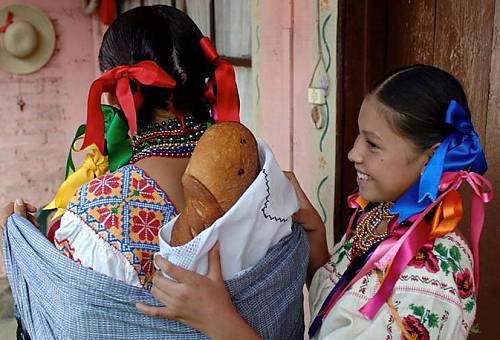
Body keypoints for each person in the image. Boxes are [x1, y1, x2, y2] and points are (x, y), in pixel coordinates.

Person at [1, 5, 309, 339]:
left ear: (117, 98)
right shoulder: (264, 182)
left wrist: (18, 238)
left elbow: (65, 320)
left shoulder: (98, 210)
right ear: (205, 83)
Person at [136, 65, 493, 340]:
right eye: (358, 135)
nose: (354, 153)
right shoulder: (383, 219)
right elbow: (338, 310)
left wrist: (218, 320)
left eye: (373, 144)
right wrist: (315, 235)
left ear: (431, 159)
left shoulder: (432, 280)